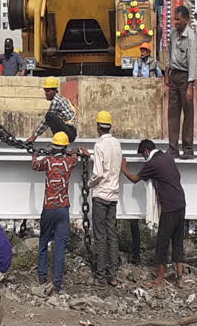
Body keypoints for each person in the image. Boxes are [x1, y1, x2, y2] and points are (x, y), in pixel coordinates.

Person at [120, 139, 187, 289]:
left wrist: (123, 168)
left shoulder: (153, 163)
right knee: (177, 241)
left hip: (169, 206)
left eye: (143, 156)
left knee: (162, 243)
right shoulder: (167, 157)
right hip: (181, 203)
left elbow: (136, 179)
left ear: (146, 152)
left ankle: (159, 279)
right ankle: (180, 279)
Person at [31, 131, 80, 294]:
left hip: (49, 208)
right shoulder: (69, 162)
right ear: (64, 147)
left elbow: (35, 166)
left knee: (44, 241)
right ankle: (57, 284)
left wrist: (34, 155)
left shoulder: (48, 161)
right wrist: (74, 151)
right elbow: (76, 156)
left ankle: (42, 276)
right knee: (60, 246)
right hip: (62, 208)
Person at [79, 111, 122, 287]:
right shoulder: (117, 144)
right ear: (110, 126)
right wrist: (91, 156)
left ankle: (101, 277)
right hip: (113, 195)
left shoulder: (99, 145)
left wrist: (89, 185)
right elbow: (110, 163)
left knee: (100, 236)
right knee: (112, 235)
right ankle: (113, 276)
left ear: (98, 127)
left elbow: (97, 172)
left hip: (100, 195)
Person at [166, 5, 197, 160]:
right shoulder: (173, 34)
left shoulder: (190, 37)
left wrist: (190, 86)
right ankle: (172, 148)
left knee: (188, 113)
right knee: (172, 113)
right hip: (174, 75)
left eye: (178, 19)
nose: (175, 22)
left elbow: (192, 62)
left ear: (186, 19)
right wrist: (167, 72)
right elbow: (169, 53)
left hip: (185, 78)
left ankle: (188, 148)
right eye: (174, 19)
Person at [26, 77, 77, 144]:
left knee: (49, 116)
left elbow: (45, 122)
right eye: (45, 91)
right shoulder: (61, 98)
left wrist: (34, 136)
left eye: (48, 91)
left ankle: (57, 142)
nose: (46, 94)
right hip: (72, 131)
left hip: (69, 132)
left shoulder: (56, 101)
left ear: (55, 91)